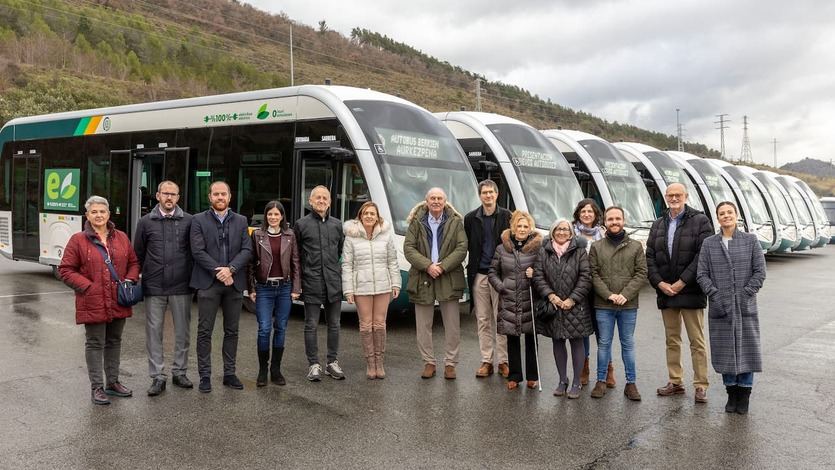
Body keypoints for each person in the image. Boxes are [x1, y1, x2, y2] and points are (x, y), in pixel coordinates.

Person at [59, 196, 140, 405]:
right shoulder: (78, 240)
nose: (98, 215)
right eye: (94, 212)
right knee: (95, 343)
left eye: (102, 212)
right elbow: (66, 270)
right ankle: (97, 387)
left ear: (109, 215)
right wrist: (88, 287)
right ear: (87, 215)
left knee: (114, 341)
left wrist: (130, 280)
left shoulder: (121, 237)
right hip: (93, 300)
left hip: (118, 299)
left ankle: (112, 383)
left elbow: (133, 262)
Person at [646, 183, 713, 404]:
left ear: (685, 196)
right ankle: (675, 381)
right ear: (666, 197)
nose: (674, 198)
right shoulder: (658, 224)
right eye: (670, 195)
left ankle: (701, 385)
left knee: (697, 341)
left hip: (691, 290)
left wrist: (683, 281)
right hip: (666, 292)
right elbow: (650, 257)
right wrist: (660, 283)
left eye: (678, 195)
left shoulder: (700, 221)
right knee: (672, 339)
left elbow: (703, 254)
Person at [697, 201, 766, 415]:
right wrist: (716, 295)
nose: (726, 216)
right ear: (717, 218)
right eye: (722, 213)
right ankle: (731, 393)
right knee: (725, 352)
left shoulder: (750, 241)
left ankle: (744, 395)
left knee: (747, 352)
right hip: (721, 307)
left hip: (745, 306)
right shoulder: (709, 243)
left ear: (736, 215)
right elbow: (702, 274)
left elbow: (759, 273)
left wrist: (745, 294)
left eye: (729, 212)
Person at [190, 181, 252, 393]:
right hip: (208, 283)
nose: (219, 197)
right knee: (205, 331)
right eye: (215, 194)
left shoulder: (241, 220)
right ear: (210, 197)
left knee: (232, 331)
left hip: (233, 284)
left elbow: (247, 250)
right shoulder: (198, 220)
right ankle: (205, 376)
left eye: (223, 194)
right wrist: (220, 271)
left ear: (229, 196)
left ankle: (229, 373)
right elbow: (197, 251)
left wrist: (231, 269)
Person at [133, 181, 194, 396]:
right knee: (154, 332)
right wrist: (134, 278)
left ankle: (180, 371)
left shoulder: (189, 221)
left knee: (182, 333)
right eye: (165, 193)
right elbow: (137, 254)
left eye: (173, 194)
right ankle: (157, 376)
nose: (169, 198)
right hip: (154, 285)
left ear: (179, 197)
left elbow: (195, 252)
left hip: (182, 285)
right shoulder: (145, 222)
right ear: (158, 195)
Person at [404, 187, 468, 380]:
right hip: (423, 276)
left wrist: (443, 266)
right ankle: (428, 362)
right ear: (426, 201)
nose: (436, 201)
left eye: (440, 198)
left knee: (452, 325)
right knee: (423, 325)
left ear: (445, 201)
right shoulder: (416, 222)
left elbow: (462, 247)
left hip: (448, 275)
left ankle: (450, 364)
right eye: (433, 198)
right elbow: (408, 247)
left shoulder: (456, 222)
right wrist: (428, 266)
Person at [588, 206, 647, 401]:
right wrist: (608, 295)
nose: (614, 222)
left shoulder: (636, 246)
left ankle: (631, 383)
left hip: (628, 305)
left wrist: (624, 295)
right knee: (604, 344)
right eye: (610, 219)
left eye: (617, 218)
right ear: (604, 222)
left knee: (627, 344)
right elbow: (593, 274)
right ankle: (601, 381)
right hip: (604, 305)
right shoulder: (597, 247)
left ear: (623, 220)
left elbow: (641, 273)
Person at [534, 219, 593, 398]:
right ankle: (562, 380)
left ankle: (576, 382)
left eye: (565, 229)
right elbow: (538, 276)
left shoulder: (580, 251)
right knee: (557, 341)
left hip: (575, 306)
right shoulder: (544, 251)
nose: (561, 232)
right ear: (552, 231)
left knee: (576, 342)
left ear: (571, 232)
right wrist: (551, 295)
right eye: (558, 229)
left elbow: (586, 276)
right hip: (553, 305)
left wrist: (572, 299)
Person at [342, 201, 401, 379]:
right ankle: (370, 364)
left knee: (380, 324)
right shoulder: (351, 237)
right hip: (361, 287)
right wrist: (348, 290)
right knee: (366, 325)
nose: (369, 216)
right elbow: (347, 265)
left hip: (383, 286)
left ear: (377, 217)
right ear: (360, 216)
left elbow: (392, 261)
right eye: (366, 213)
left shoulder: (385, 235)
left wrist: (396, 283)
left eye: (372, 214)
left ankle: (379, 363)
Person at [294, 185, 345, 382]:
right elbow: (296, 256)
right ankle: (313, 364)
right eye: (318, 198)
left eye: (325, 198)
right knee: (311, 325)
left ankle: (332, 362)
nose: (322, 201)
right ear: (310, 201)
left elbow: (339, 251)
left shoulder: (337, 225)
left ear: (330, 202)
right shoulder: (301, 224)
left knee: (334, 324)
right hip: (312, 280)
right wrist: (298, 283)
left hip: (333, 281)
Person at [248, 201, 301, 387]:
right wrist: (252, 288)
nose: (273, 217)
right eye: (269, 214)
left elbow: (295, 263)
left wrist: (296, 288)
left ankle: (276, 370)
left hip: (285, 287)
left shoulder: (290, 235)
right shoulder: (257, 235)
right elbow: (250, 264)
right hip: (264, 288)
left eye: (276, 214)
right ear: (265, 216)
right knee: (264, 328)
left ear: (282, 216)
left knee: (281, 327)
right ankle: (263, 370)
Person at [488, 211, 542, 390]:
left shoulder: (537, 248)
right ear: (513, 227)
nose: (522, 229)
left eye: (525, 226)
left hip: (529, 298)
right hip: (509, 298)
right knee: (512, 338)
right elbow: (492, 272)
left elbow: (545, 271)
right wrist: (501, 286)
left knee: (530, 338)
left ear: (530, 228)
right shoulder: (502, 248)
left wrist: (534, 274)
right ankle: (515, 375)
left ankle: (532, 376)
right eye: (519, 226)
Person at [464, 180, 511, 378]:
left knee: (500, 319)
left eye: (491, 192)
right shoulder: (470, 218)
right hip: (480, 275)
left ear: (497, 194)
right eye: (484, 193)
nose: (488, 196)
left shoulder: (507, 216)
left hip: (500, 276)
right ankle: (486, 361)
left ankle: (503, 361)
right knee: (483, 320)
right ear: (480, 195)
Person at [572, 198, 614, 387]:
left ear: (596, 214)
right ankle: (584, 368)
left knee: (602, 331)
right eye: (583, 212)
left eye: (590, 211)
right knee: (582, 330)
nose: (587, 214)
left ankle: (608, 369)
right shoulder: (570, 233)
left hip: (601, 288)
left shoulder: (605, 234)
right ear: (578, 214)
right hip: (579, 287)